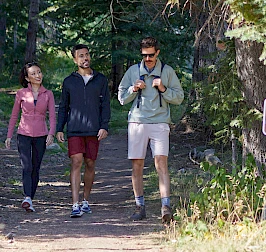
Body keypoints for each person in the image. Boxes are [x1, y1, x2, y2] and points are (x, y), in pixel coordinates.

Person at [118, 36, 184, 224]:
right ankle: (140, 206)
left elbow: (179, 97)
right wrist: (133, 89)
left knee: (161, 164)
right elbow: (121, 98)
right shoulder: (133, 71)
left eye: (151, 55)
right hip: (137, 123)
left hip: (160, 123)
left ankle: (166, 207)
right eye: (145, 55)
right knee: (137, 165)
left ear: (158, 53)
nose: (148, 59)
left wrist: (163, 89)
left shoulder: (167, 71)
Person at [56, 44, 111, 218]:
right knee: (76, 162)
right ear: (75, 59)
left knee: (90, 164)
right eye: (81, 56)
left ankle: (86, 200)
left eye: (87, 55)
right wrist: (60, 128)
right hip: (74, 129)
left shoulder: (100, 80)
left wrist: (104, 126)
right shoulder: (69, 81)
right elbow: (63, 106)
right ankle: (75, 204)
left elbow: (105, 105)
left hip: (94, 130)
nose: (85, 58)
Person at [5, 62, 56, 212]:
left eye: (39, 72)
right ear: (27, 78)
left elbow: (52, 116)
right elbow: (14, 116)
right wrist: (9, 136)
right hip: (23, 134)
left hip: (41, 135)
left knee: (35, 168)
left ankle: (30, 199)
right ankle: (27, 197)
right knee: (26, 166)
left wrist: (51, 133)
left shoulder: (48, 94)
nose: (37, 75)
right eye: (33, 73)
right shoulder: (21, 93)